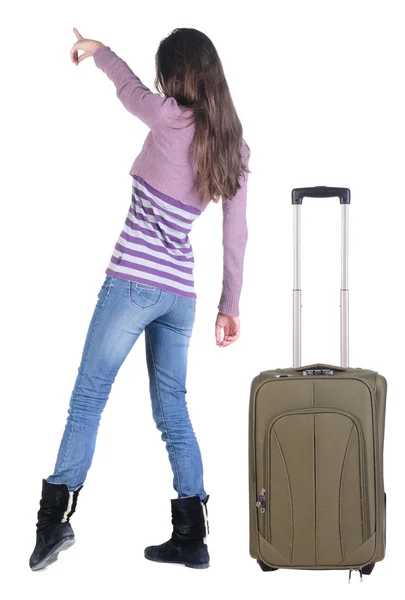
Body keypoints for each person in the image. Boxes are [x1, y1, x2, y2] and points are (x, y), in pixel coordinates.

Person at [29, 26, 250, 572]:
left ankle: (53, 522)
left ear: (176, 74)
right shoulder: (234, 146)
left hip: (133, 282)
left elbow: (127, 88)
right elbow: (235, 234)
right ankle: (191, 536)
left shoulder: (170, 116)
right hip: (181, 296)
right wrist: (231, 304)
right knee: (173, 409)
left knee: (88, 396)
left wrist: (99, 51)